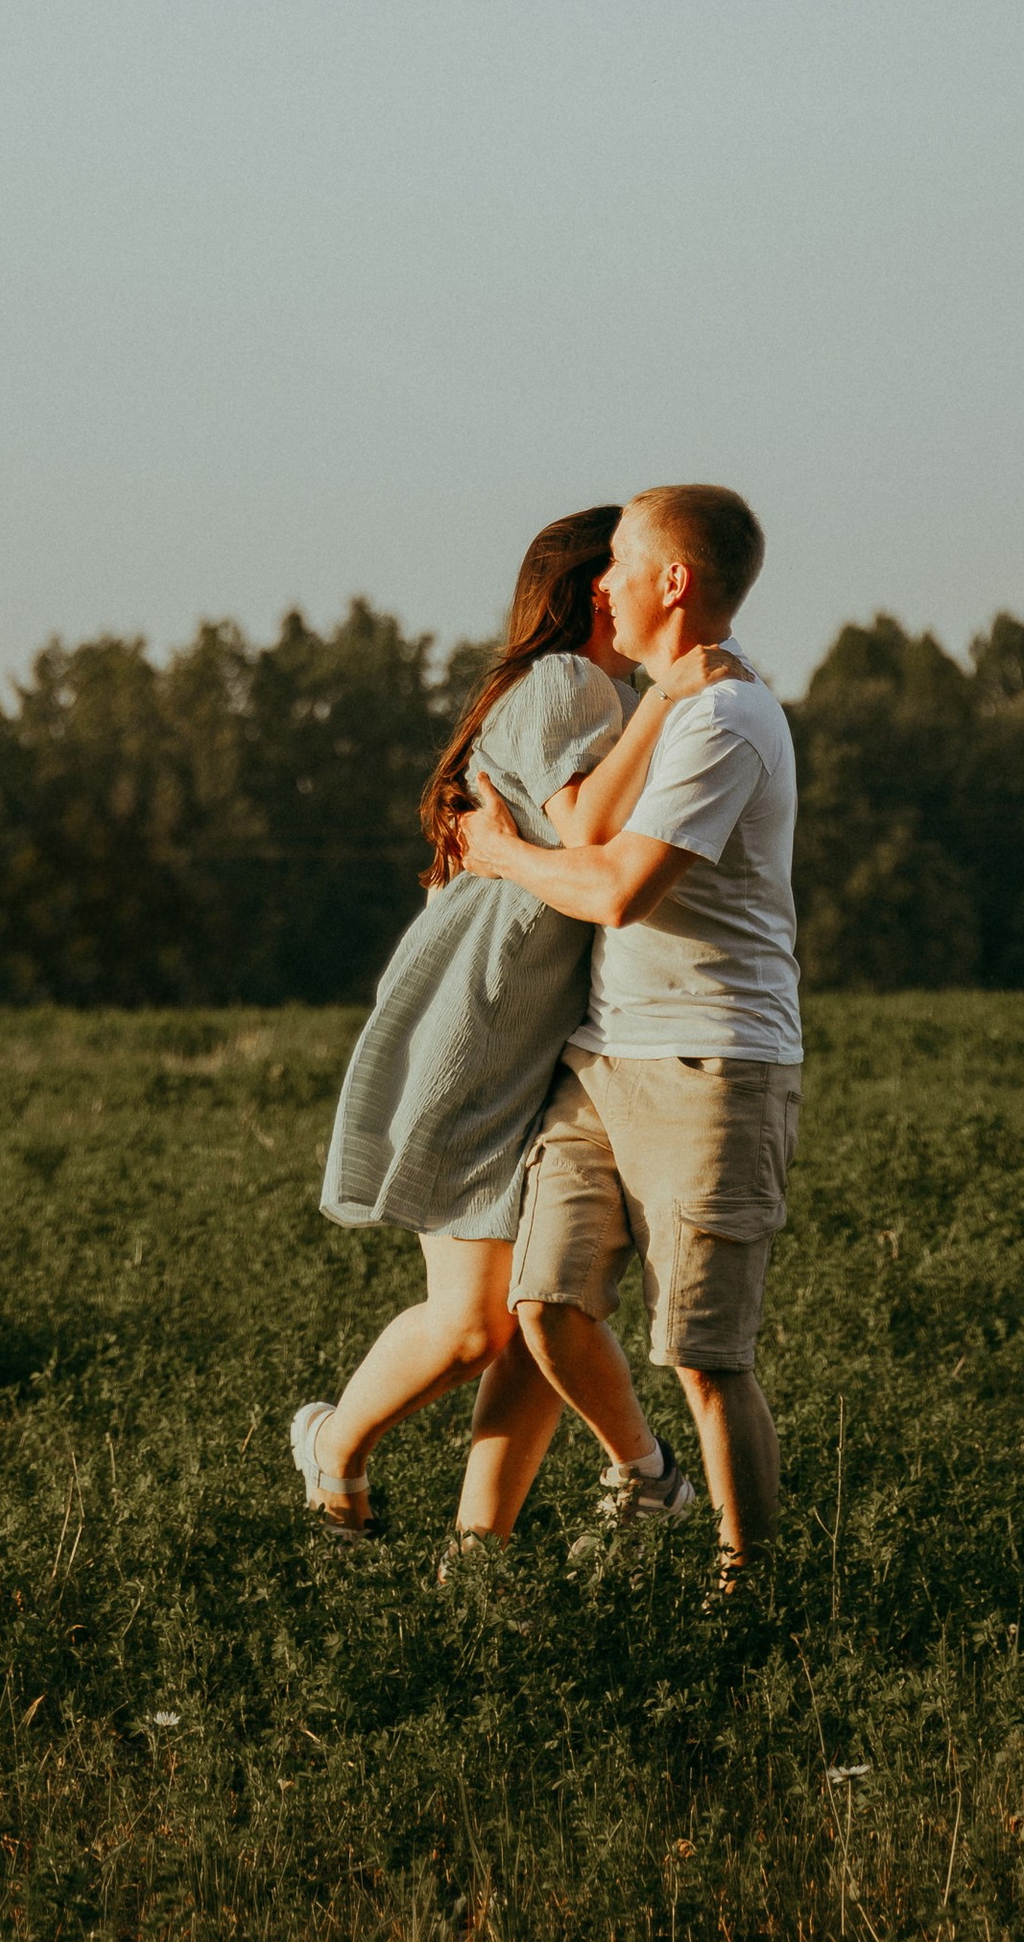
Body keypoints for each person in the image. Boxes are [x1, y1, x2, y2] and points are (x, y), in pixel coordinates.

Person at [291, 505, 738, 1563]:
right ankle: (334, 1446)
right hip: (481, 1030)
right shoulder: (565, 684)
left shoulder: (604, 693)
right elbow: (586, 826)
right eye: (621, 566)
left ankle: (480, 1559)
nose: (634, 584)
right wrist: (668, 696)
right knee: (473, 1327)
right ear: (592, 587)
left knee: (542, 1306)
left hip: (554, 1039)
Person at [457, 484, 798, 1584]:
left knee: (704, 1358)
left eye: (619, 564)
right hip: (604, 1059)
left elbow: (614, 890)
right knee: (544, 1303)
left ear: (672, 581)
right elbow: (590, 827)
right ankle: (647, 1479)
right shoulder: (670, 704)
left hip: (713, 1064)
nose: (599, 587)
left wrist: (498, 855)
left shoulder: (727, 718)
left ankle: (750, 1596)